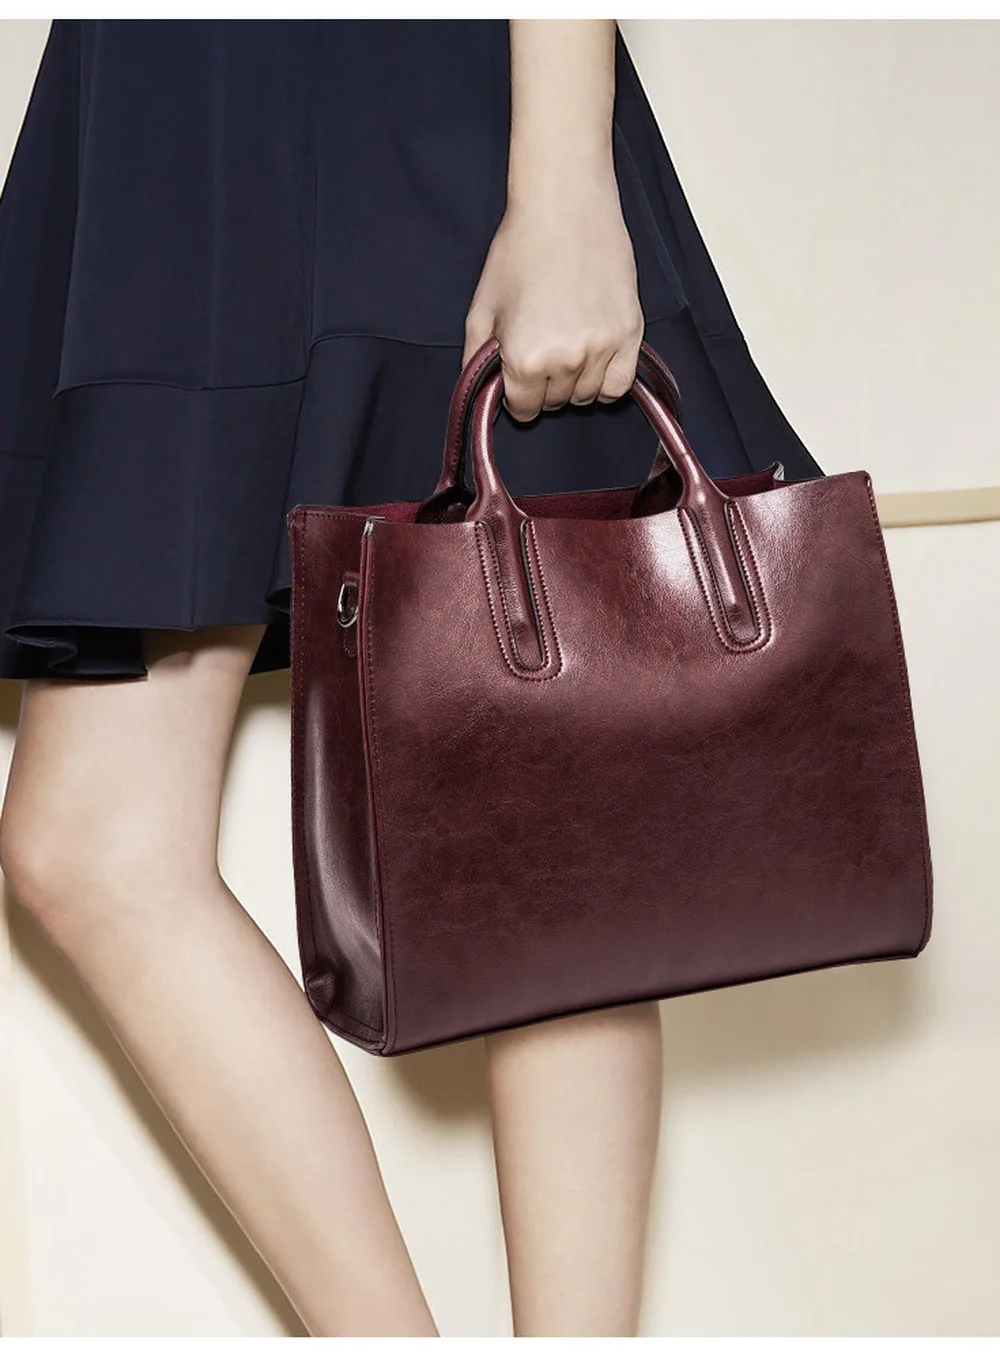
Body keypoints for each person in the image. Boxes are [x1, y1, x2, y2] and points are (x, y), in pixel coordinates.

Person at [0, 19, 824, 1338]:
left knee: (552, 809)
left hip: (389, 74)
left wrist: (563, 179)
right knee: (92, 842)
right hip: (165, 100)